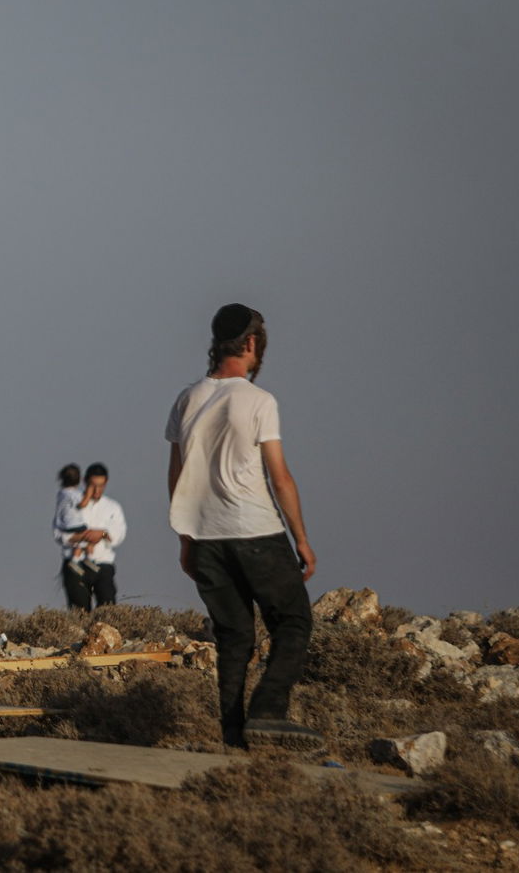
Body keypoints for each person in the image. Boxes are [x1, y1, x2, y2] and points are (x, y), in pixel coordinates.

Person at [166, 303, 319, 749]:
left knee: (234, 636)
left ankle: (234, 736)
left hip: (205, 536)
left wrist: (185, 538)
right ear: (251, 344)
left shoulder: (186, 399)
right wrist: (302, 539)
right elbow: (280, 475)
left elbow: (177, 476)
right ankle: (268, 711)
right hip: (254, 530)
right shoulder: (258, 401)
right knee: (293, 620)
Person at [53, 462, 127, 611]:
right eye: (93, 485)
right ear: (85, 482)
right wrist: (83, 537)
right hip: (75, 565)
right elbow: (59, 532)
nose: (97, 490)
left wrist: (102, 534)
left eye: (101, 485)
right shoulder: (72, 502)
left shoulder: (112, 507)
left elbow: (119, 534)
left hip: (102, 564)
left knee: (108, 608)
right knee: (79, 613)